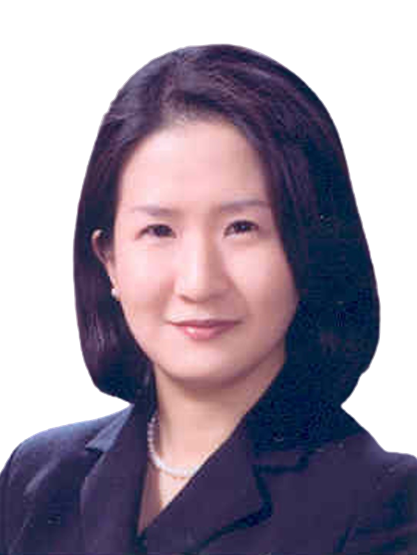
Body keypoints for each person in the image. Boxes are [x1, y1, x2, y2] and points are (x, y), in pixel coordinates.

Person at [0, 44, 416, 555]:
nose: (199, 283)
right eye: (159, 230)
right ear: (109, 259)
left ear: (311, 245)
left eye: (242, 228)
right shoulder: (37, 479)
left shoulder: (384, 504)